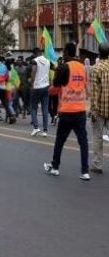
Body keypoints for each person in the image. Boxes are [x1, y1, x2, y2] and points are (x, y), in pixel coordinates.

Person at [44, 42, 90, 180]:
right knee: (83, 141)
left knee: (60, 140)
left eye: (64, 53)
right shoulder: (82, 67)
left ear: (67, 53)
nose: (63, 55)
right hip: (80, 110)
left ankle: (55, 167)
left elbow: (57, 84)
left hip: (67, 110)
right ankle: (85, 172)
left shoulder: (64, 67)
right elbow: (83, 86)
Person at [89, 42, 109, 174]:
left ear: (98, 53)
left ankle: (97, 165)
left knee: (97, 137)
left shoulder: (95, 68)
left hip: (101, 109)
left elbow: (95, 93)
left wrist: (93, 112)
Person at [29, 47, 51, 137]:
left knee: (33, 108)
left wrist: (32, 83)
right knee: (45, 109)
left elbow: (33, 71)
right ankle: (45, 131)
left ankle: (36, 127)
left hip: (37, 87)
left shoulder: (35, 61)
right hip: (46, 86)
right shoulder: (48, 61)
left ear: (35, 54)